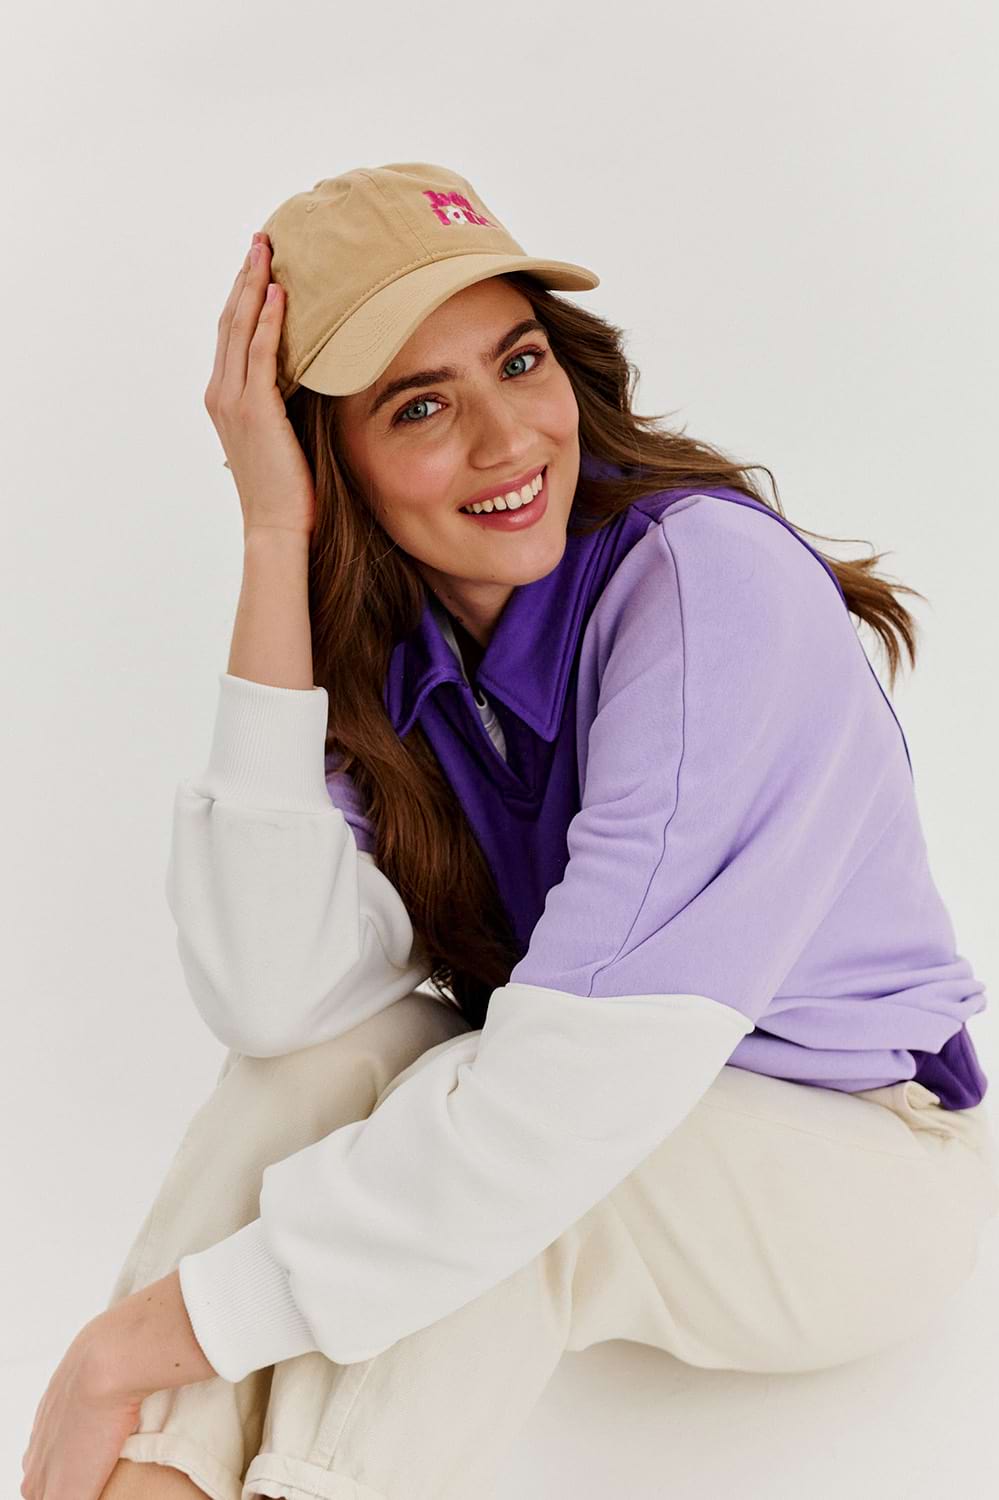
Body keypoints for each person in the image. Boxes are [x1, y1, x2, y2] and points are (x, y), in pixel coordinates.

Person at [23, 163, 999, 1500]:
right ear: (332, 460)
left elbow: (565, 1107)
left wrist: (125, 1349)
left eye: (519, 361)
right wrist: (272, 531)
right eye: (420, 405)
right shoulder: (402, 657)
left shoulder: (711, 587)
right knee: (315, 1077)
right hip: (623, 1115)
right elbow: (275, 1002)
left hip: (861, 1163)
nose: (508, 440)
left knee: (503, 1150)